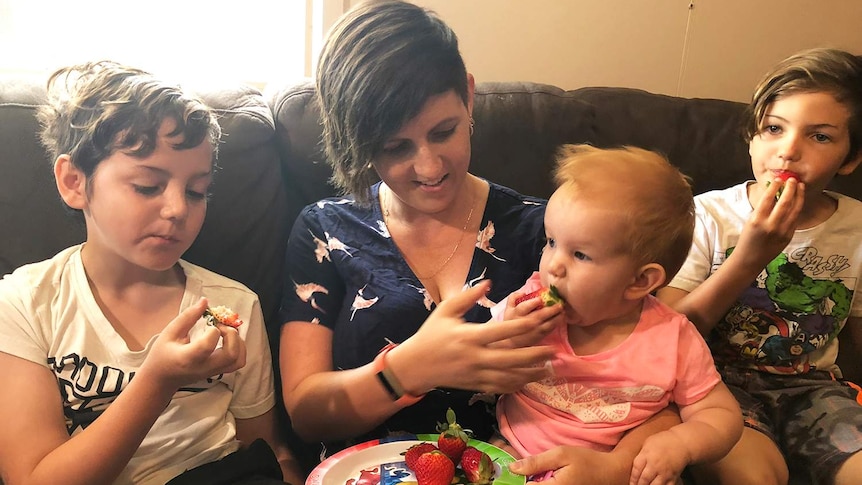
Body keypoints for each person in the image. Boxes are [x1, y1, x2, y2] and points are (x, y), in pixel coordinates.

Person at [278, 1, 684, 483]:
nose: (429, 168)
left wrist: (614, 466)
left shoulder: (554, 237)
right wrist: (410, 368)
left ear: (469, 96)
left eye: (443, 131)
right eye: (395, 147)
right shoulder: (325, 230)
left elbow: (656, 384)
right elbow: (306, 415)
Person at [0, 61, 303, 485]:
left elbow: (266, 450)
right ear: (74, 182)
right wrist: (157, 381)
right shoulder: (24, 303)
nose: (178, 209)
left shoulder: (232, 304)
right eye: (147, 186)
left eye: (196, 192)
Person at [657, 47, 862, 485]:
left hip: (814, 389)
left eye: (820, 136)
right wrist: (750, 257)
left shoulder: (857, 229)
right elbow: (669, 330)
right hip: (711, 385)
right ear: (751, 137)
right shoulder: (706, 216)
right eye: (773, 129)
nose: (788, 151)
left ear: (850, 159)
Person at [490, 145, 742, 484]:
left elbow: (721, 415)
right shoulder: (527, 303)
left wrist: (680, 443)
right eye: (551, 242)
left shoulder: (673, 339)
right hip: (517, 456)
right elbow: (479, 359)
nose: (554, 266)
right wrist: (510, 336)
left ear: (640, 281)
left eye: (579, 254)